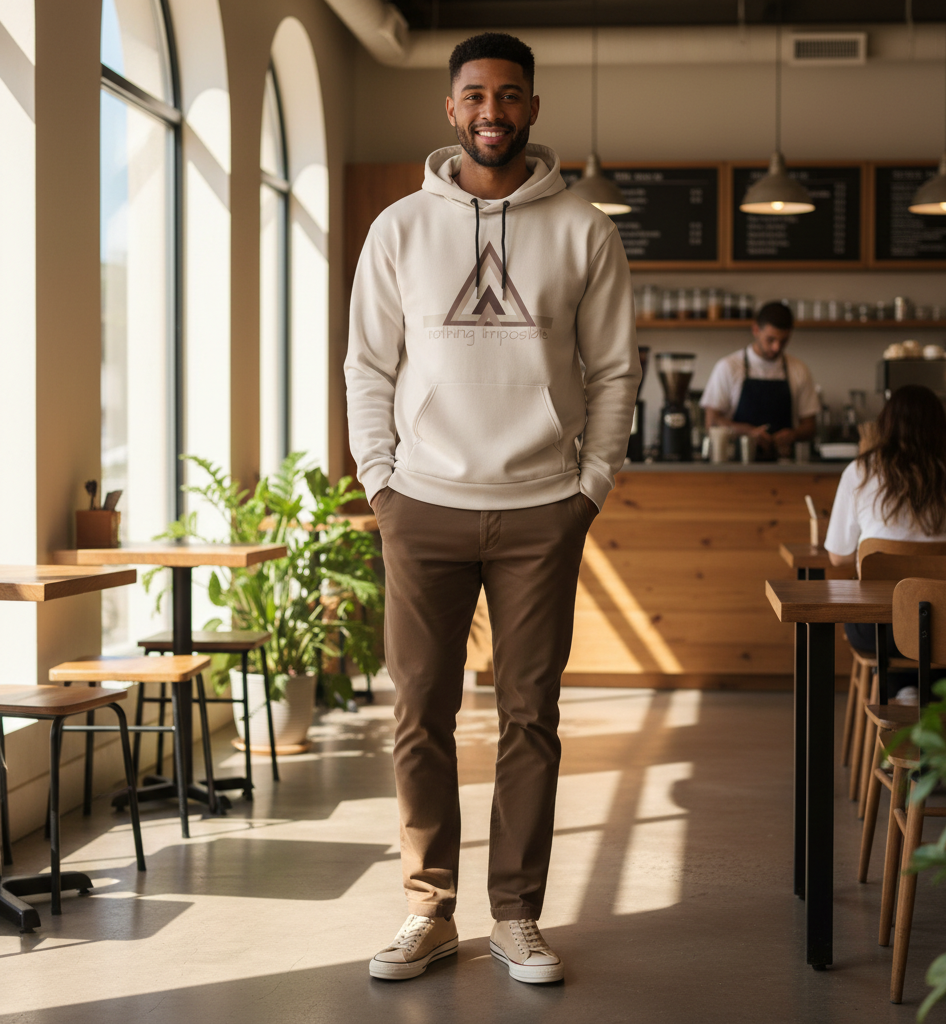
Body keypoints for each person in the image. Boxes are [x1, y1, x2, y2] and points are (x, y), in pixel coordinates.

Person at [345, 32, 640, 984]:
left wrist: (588, 488)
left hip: (540, 506)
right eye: (476, 94)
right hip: (420, 503)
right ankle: (428, 910)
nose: (493, 111)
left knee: (531, 716)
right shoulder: (398, 228)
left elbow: (614, 372)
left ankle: (516, 914)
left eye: (510, 96)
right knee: (420, 713)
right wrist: (381, 483)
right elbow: (368, 367)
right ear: (451, 108)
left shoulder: (585, 230)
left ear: (532, 109)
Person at [824, 385, 946, 701]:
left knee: (891, 620)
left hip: (880, 633)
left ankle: (901, 697)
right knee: (933, 627)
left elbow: (836, 556)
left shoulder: (860, 470)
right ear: (941, 425)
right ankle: (926, 699)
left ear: (885, 424)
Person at [700, 301, 819, 459]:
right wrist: (747, 432)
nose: (776, 347)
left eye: (783, 341)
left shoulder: (799, 369)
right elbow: (712, 422)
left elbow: (810, 426)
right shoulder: (729, 367)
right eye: (770, 340)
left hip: (783, 463)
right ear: (755, 329)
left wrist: (793, 434)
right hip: (736, 463)